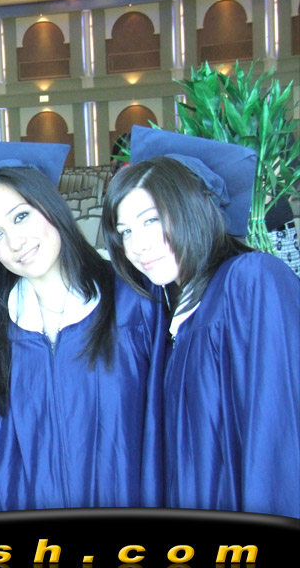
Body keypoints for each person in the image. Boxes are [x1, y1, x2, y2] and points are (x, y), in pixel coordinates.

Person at [0, 141, 163, 512]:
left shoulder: (134, 302)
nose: (15, 242)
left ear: (49, 205)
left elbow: (169, 429)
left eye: (20, 216)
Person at [102, 125, 300, 518]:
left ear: (193, 208)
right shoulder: (172, 313)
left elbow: (278, 433)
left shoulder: (251, 280)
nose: (137, 245)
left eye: (151, 221)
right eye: (125, 232)